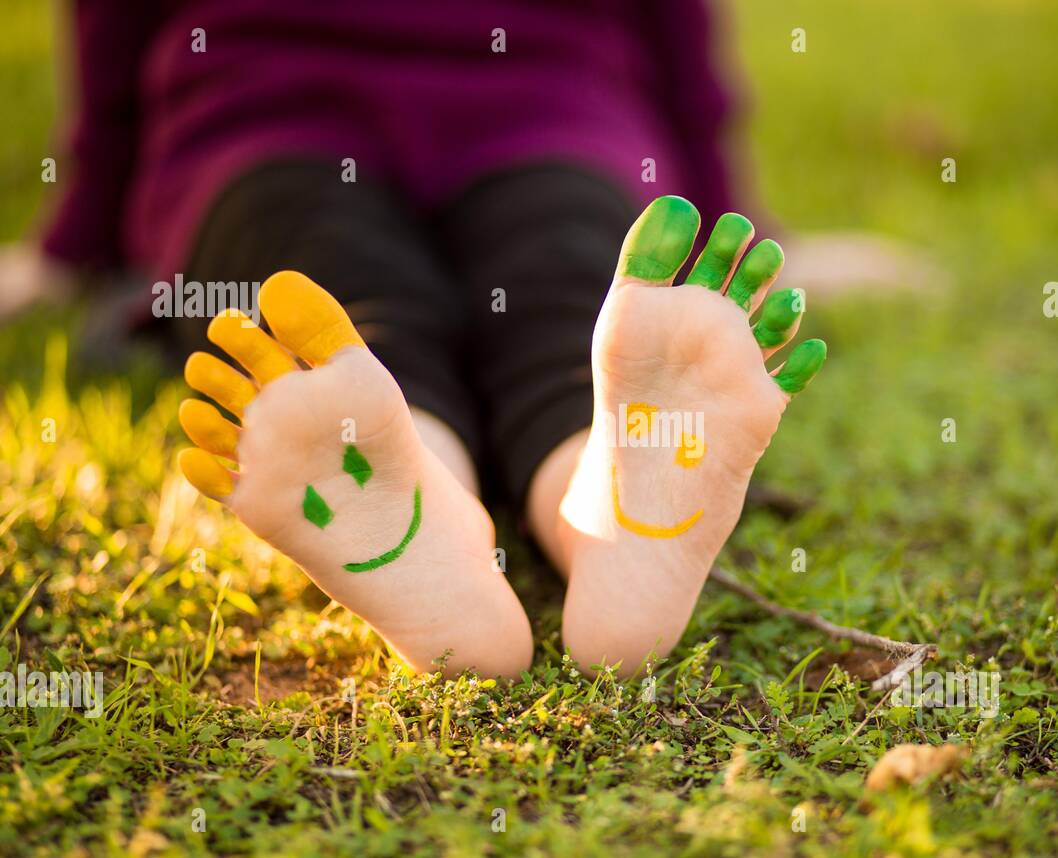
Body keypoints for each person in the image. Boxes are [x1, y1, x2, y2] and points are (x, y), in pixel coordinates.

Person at [25, 1, 826, 677]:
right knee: (572, 285)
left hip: (264, 100)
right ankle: (595, 495)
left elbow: (114, 23)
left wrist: (74, 240)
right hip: (550, 103)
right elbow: (675, 32)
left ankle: (427, 485)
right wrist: (734, 210)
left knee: (328, 296)